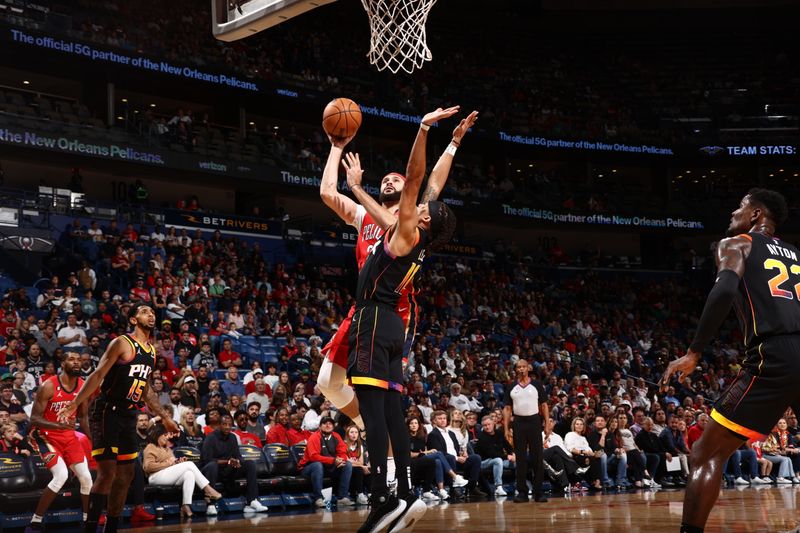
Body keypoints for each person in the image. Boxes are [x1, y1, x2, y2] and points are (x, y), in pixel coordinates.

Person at [347, 108, 461, 533]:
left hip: (374, 319)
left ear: (427, 217)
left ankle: (381, 499)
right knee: (393, 411)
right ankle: (407, 493)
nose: (422, 202)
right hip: (394, 327)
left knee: (372, 413)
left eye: (428, 206)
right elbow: (428, 185)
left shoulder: (411, 226)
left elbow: (418, 179)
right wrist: (453, 143)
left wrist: (424, 128)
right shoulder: (416, 235)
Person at [661, 189, 800, 533]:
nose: (733, 213)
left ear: (755, 215)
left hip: (775, 353)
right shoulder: (797, 255)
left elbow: (723, 291)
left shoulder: (737, 243)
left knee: (706, 455)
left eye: (739, 206)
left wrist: (694, 351)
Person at [57, 303, 180, 533]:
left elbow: (145, 390)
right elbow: (98, 374)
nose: (150, 314)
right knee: (107, 474)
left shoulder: (152, 351)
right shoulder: (122, 343)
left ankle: (112, 528)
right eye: (144, 311)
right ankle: (91, 527)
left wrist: (164, 416)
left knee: (127, 474)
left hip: (129, 413)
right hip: (106, 410)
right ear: (133, 319)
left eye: (152, 312)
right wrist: (75, 402)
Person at [26, 352, 93, 532]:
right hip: (46, 436)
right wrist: (57, 425)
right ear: (62, 364)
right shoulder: (48, 386)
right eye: (72, 359)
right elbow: (33, 419)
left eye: (79, 359)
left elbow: (83, 416)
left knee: (86, 479)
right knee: (61, 475)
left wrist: (93, 440)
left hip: (69, 436)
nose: (77, 362)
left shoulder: (82, 386)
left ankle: (88, 521)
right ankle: (36, 520)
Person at [142, 424, 222, 518]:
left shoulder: (167, 449)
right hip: (154, 477)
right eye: (165, 435)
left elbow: (172, 463)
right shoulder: (150, 447)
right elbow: (148, 467)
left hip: (166, 475)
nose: (167, 437)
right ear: (157, 435)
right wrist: (169, 463)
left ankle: (185, 506)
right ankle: (208, 490)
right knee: (189, 465)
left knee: (189, 474)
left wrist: (178, 462)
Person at [200, 414, 267, 515]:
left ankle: (252, 501)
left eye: (229, 424)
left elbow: (238, 456)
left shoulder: (233, 437)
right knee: (212, 466)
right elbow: (207, 460)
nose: (227, 427)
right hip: (213, 471)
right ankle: (211, 504)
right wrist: (228, 462)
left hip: (228, 470)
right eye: (224, 424)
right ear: (219, 425)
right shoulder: (210, 438)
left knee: (249, 464)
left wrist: (238, 462)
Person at [503, 359, 549, 503]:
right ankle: (522, 492)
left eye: (523, 367)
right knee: (521, 458)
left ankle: (538, 492)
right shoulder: (511, 386)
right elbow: (507, 409)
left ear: (528, 368)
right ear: (516, 370)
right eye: (519, 367)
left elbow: (544, 405)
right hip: (518, 422)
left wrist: (547, 424)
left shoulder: (536, 384)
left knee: (537, 457)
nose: (521, 369)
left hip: (534, 421)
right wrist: (505, 427)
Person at [298, 415, 354, 508]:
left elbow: (343, 452)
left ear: (333, 426)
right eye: (325, 423)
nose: (328, 425)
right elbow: (313, 457)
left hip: (328, 466)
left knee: (347, 464)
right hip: (308, 468)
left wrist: (341, 460)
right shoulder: (314, 437)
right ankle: (318, 498)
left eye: (330, 424)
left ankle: (342, 497)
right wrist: (333, 460)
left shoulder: (336, 436)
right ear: (320, 426)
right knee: (317, 465)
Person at [475, 414, 515, 496]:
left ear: (493, 424)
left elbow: (507, 446)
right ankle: (498, 487)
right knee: (498, 460)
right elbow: (492, 454)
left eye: (489, 424)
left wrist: (513, 454)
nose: (487, 427)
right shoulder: (482, 438)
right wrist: (507, 456)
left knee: (518, 461)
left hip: (499, 459)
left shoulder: (499, 433)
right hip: (484, 462)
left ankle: (520, 485)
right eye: (485, 425)